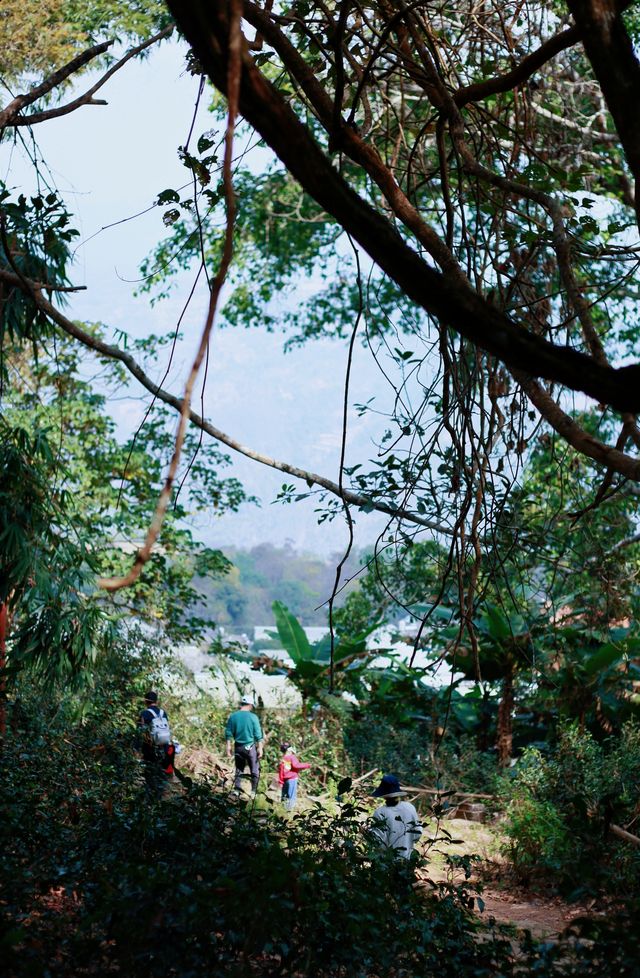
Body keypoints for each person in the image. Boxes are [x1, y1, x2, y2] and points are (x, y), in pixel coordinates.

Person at [370, 774, 423, 859]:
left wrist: (367, 834)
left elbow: (378, 841)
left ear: (384, 795)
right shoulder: (410, 807)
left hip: (386, 863)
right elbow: (417, 833)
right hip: (407, 862)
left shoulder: (380, 812)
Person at [138, 690, 176, 798]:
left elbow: (141, 732)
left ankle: (151, 798)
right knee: (161, 774)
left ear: (146, 701)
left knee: (149, 774)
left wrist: (138, 748)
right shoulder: (163, 713)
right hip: (164, 747)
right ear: (156, 701)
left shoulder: (144, 714)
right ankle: (160, 797)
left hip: (150, 749)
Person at [224, 694, 264, 796]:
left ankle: (237, 790)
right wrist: (260, 748)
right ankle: (253, 792)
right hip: (250, 747)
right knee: (254, 769)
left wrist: (228, 747)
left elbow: (228, 732)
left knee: (239, 769)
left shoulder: (233, 716)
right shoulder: (253, 717)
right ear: (250, 705)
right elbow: (258, 734)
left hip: (238, 747)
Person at [278, 741, 311, 810]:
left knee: (284, 796)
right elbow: (296, 765)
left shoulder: (283, 759)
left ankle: (282, 810)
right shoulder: (292, 757)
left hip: (285, 780)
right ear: (289, 749)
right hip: (292, 779)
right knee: (291, 796)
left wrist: (281, 781)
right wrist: (307, 765)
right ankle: (289, 811)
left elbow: (281, 771)